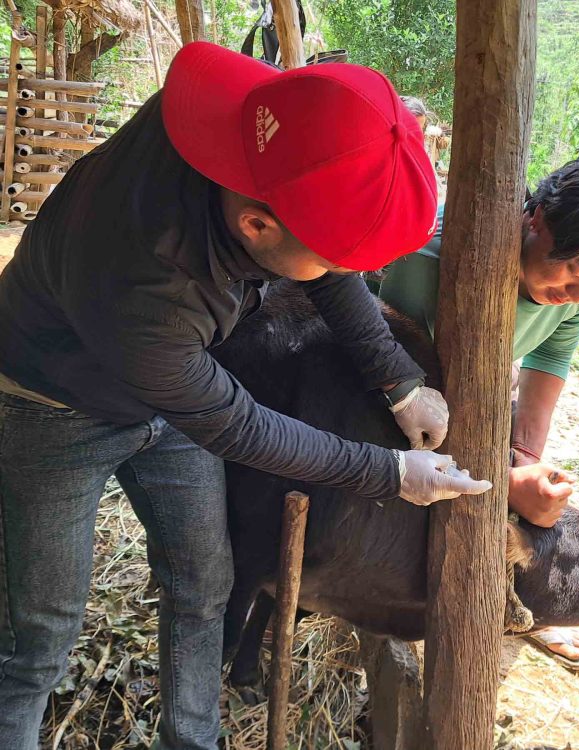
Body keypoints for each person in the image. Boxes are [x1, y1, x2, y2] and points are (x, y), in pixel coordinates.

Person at [0, 43, 492, 750]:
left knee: (205, 582)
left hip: (171, 391)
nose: (330, 271)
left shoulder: (253, 136)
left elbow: (319, 262)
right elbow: (236, 426)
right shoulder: (150, 284)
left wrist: (400, 378)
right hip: (50, 403)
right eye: (323, 254)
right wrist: (389, 473)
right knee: (39, 634)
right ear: (256, 226)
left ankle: (192, 740)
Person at [378, 142, 579, 668]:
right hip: (398, 395)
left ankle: (522, 608)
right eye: (574, 269)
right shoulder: (431, 263)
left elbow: (548, 360)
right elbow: (405, 401)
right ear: (538, 217)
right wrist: (499, 482)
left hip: (471, 388)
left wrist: (525, 463)